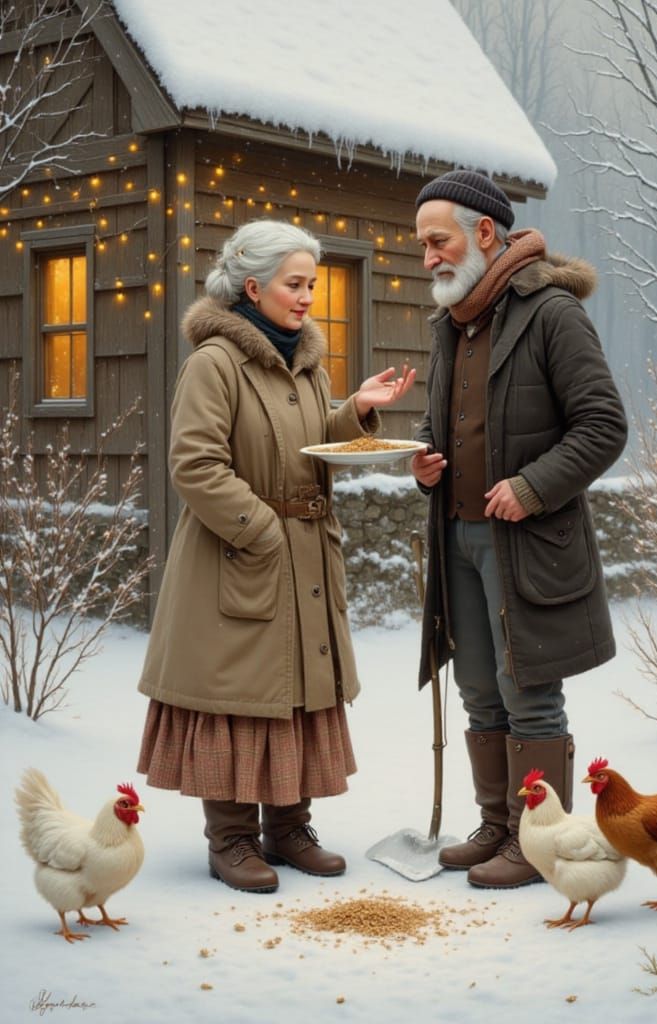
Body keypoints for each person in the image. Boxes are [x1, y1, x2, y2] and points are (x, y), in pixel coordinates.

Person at [136, 219, 415, 893]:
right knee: (240, 694)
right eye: (295, 284)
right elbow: (195, 464)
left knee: (296, 691)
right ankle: (230, 837)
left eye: (312, 284)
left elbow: (313, 440)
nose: (307, 297)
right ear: (252, 286)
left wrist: (355, 413)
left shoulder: (306, 365)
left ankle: (288, 828)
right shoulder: (214, 364)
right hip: (240, 556)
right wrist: (263, 531)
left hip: (308, 557)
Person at [410, 170, 627, 888]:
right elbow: (449, 422)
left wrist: (534, 487)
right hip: (459, 541)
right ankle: (500, 826)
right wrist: (425, 458)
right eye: (421, 246)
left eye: (437, 241)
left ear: (482, 233)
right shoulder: (452, 322)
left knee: (526, 686)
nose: (429, 258)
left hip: (528, 544)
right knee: (478, 686)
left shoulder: (551, 312)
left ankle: (538, 844)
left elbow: (604, 426)